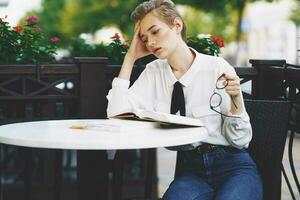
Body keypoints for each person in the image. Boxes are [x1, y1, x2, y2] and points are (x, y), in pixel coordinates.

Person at [106, 0, 262, 199]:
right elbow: (116, 115)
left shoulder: (216, 68)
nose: (150, 42)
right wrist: (130, 57)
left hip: (233, 165)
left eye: (155, 32)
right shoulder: (154, 73)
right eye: (144, 38)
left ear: (177, 25)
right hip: (191, 170)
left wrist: (235, 100)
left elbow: (240, 140)